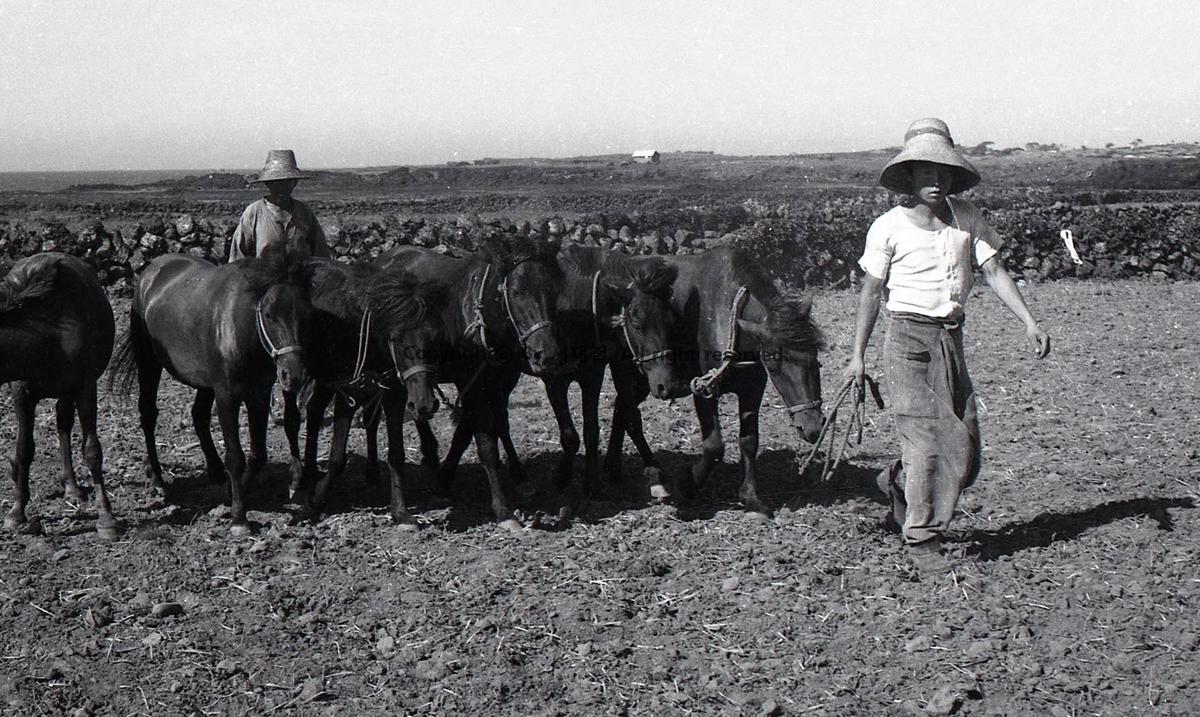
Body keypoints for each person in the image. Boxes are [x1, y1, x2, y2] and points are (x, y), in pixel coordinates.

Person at [844, 118, 1051, 573]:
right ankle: (922, 539)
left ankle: (895, 481)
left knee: (967, 448)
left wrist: (1029, 322)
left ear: (953, 176)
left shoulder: (968, 218)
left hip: (949, 342)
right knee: (928, 443)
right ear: (909, 177)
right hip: (906, 343)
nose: (935, 181)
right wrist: (857, 356)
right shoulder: (888, 227)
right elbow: (870, 293)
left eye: (943, 172)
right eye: (925, 172)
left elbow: (994, 271)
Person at [228, 149, 332, 262]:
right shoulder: (253, 213)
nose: (282, 187)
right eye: (276, 182)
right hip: (264, 277)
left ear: (295, 183)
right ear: (267, 183)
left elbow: (321, 255)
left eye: (287, 181)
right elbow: (238, 258)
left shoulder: (305, 212)